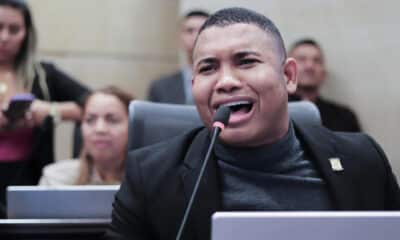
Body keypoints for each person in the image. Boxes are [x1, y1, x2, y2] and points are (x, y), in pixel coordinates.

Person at [107, 7, 400, 240]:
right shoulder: (151, 177)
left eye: (246, 61)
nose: (225, 82)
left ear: (288, 76)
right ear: (194, 85)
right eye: (208, 68)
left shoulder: (363, 160)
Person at [0, 0, 89, 212]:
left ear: (27, 33)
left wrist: (50, 110)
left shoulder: (43, 75)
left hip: (31, 176)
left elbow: (92, 103)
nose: (4, 37)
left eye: (14, 30)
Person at [39, 86, 133, 186]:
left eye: (112, 120)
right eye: (90, 120)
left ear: (133, 126)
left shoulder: (149, 181)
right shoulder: (55, 180)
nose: (100, 129)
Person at [288, 38, 362, 132]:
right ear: (287, 70)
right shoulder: (273, 113)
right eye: (302, 59)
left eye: (317, 60)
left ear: (324, 74)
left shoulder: (344, 117)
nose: (309, 66)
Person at [147, 10, 209, 104]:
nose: (196, 36)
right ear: (180, 39)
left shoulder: (226, 82)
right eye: (189, 31)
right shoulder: (160, 87)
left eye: (201, 30)